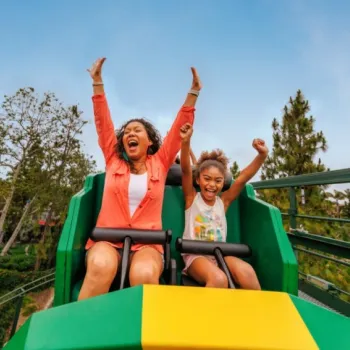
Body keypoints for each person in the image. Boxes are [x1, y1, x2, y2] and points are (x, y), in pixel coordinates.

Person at [78, 58, 202, 300]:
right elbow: (104, 125)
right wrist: (97, 84)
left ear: (150, 142)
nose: (130, 133)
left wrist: (193, 92)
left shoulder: (160, 162)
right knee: (102, 265)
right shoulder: (114, 161)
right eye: (127, 132)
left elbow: (179, 130)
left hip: (148, 243)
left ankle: (141, 335)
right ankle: (80, 332)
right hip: (108, 241)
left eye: (137, 130)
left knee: (144, 274)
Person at [179, 123, 268, 289]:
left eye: (218, 180)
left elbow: (242, 178)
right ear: (198, 180)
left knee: (247, 272)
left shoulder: (223, 202)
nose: (212, 184)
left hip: (219, 254)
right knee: (219, 279)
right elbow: (185, 170)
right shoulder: (192, 199)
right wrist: (185, 142)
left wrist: (262, 155)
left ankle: (253, 314)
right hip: (196, 257)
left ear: (222, 183)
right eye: (207, 179)